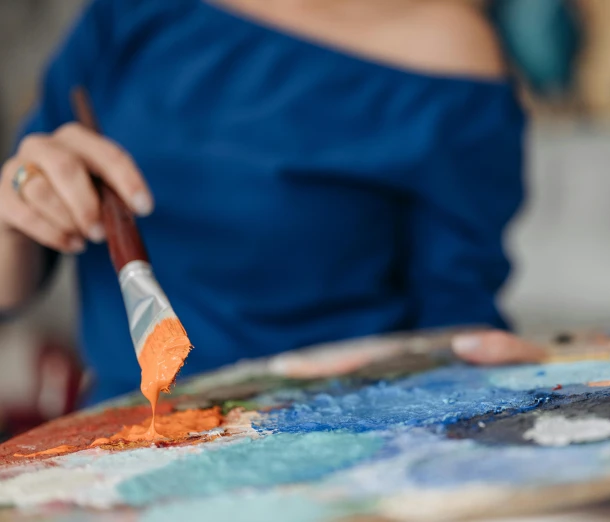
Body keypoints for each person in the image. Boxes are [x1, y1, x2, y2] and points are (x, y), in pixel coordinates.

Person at [0, 0, 543, 405]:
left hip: (335, 449)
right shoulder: (127, 15)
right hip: (123, 453)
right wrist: (14, 222)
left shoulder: (447, 53)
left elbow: (454, 323)